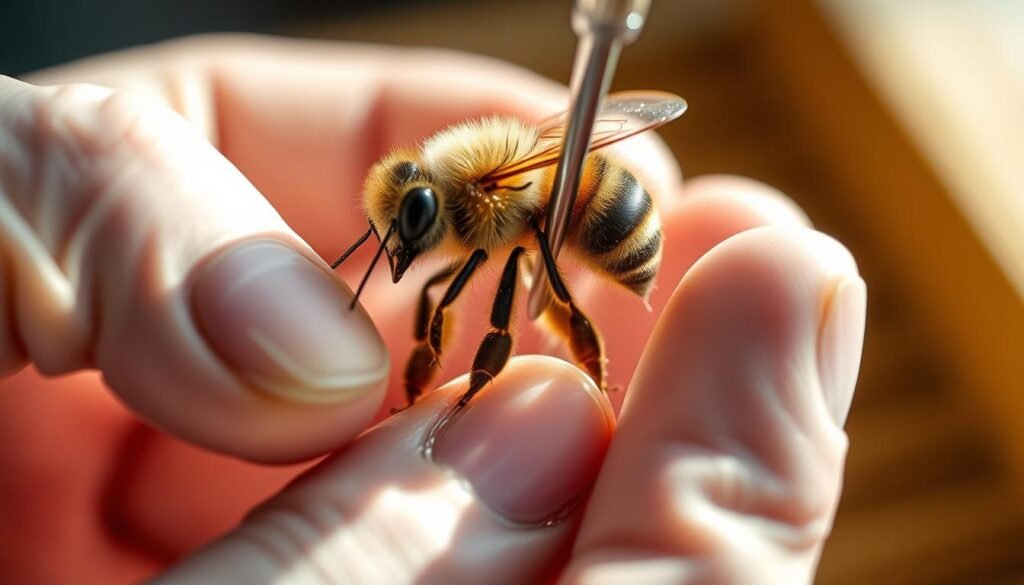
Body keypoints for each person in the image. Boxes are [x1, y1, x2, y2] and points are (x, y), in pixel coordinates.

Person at [0, 35, 866, 584]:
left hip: (603, 211)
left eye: (407, 230)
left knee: (499, 296)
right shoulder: (460, 203)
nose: (403, 249)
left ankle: (509, 390)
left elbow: (507, 276)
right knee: (478, 290)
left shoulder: (487, 193)